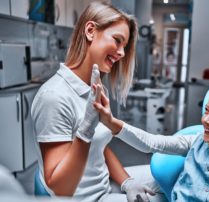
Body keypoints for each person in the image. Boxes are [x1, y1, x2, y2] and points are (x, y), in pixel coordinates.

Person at [31, 2, 164, 202]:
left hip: (104, 186)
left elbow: (98, 147)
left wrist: (127, 182)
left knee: (177, 178)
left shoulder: (92, 86)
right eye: (117, 41)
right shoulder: (54, 97)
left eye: (124, 46)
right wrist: (85, 130)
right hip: (85, 198)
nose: (121, 53)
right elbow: (61, 189)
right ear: (91, 31)